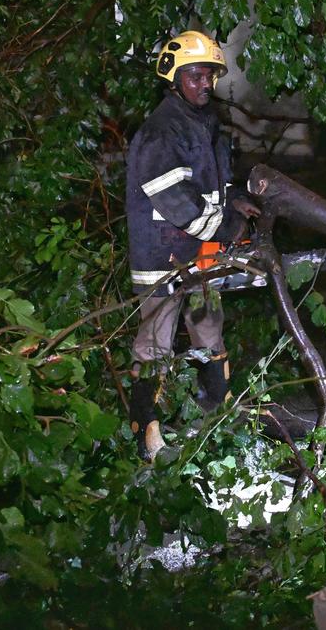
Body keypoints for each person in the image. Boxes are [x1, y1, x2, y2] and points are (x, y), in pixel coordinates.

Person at [125, 30, 261, 461]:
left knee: (209, 330)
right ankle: (147, 436)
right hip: (162, 257)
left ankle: (216, 411)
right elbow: (178, 203)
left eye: (210, 76)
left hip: (199, 257)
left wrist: (235, 195)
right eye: (197, 76)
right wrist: (227, 227)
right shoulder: (161, 132)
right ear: (174, 76)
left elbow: (211, 182)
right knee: (155, 347)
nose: (206, 84)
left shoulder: (205, 123)